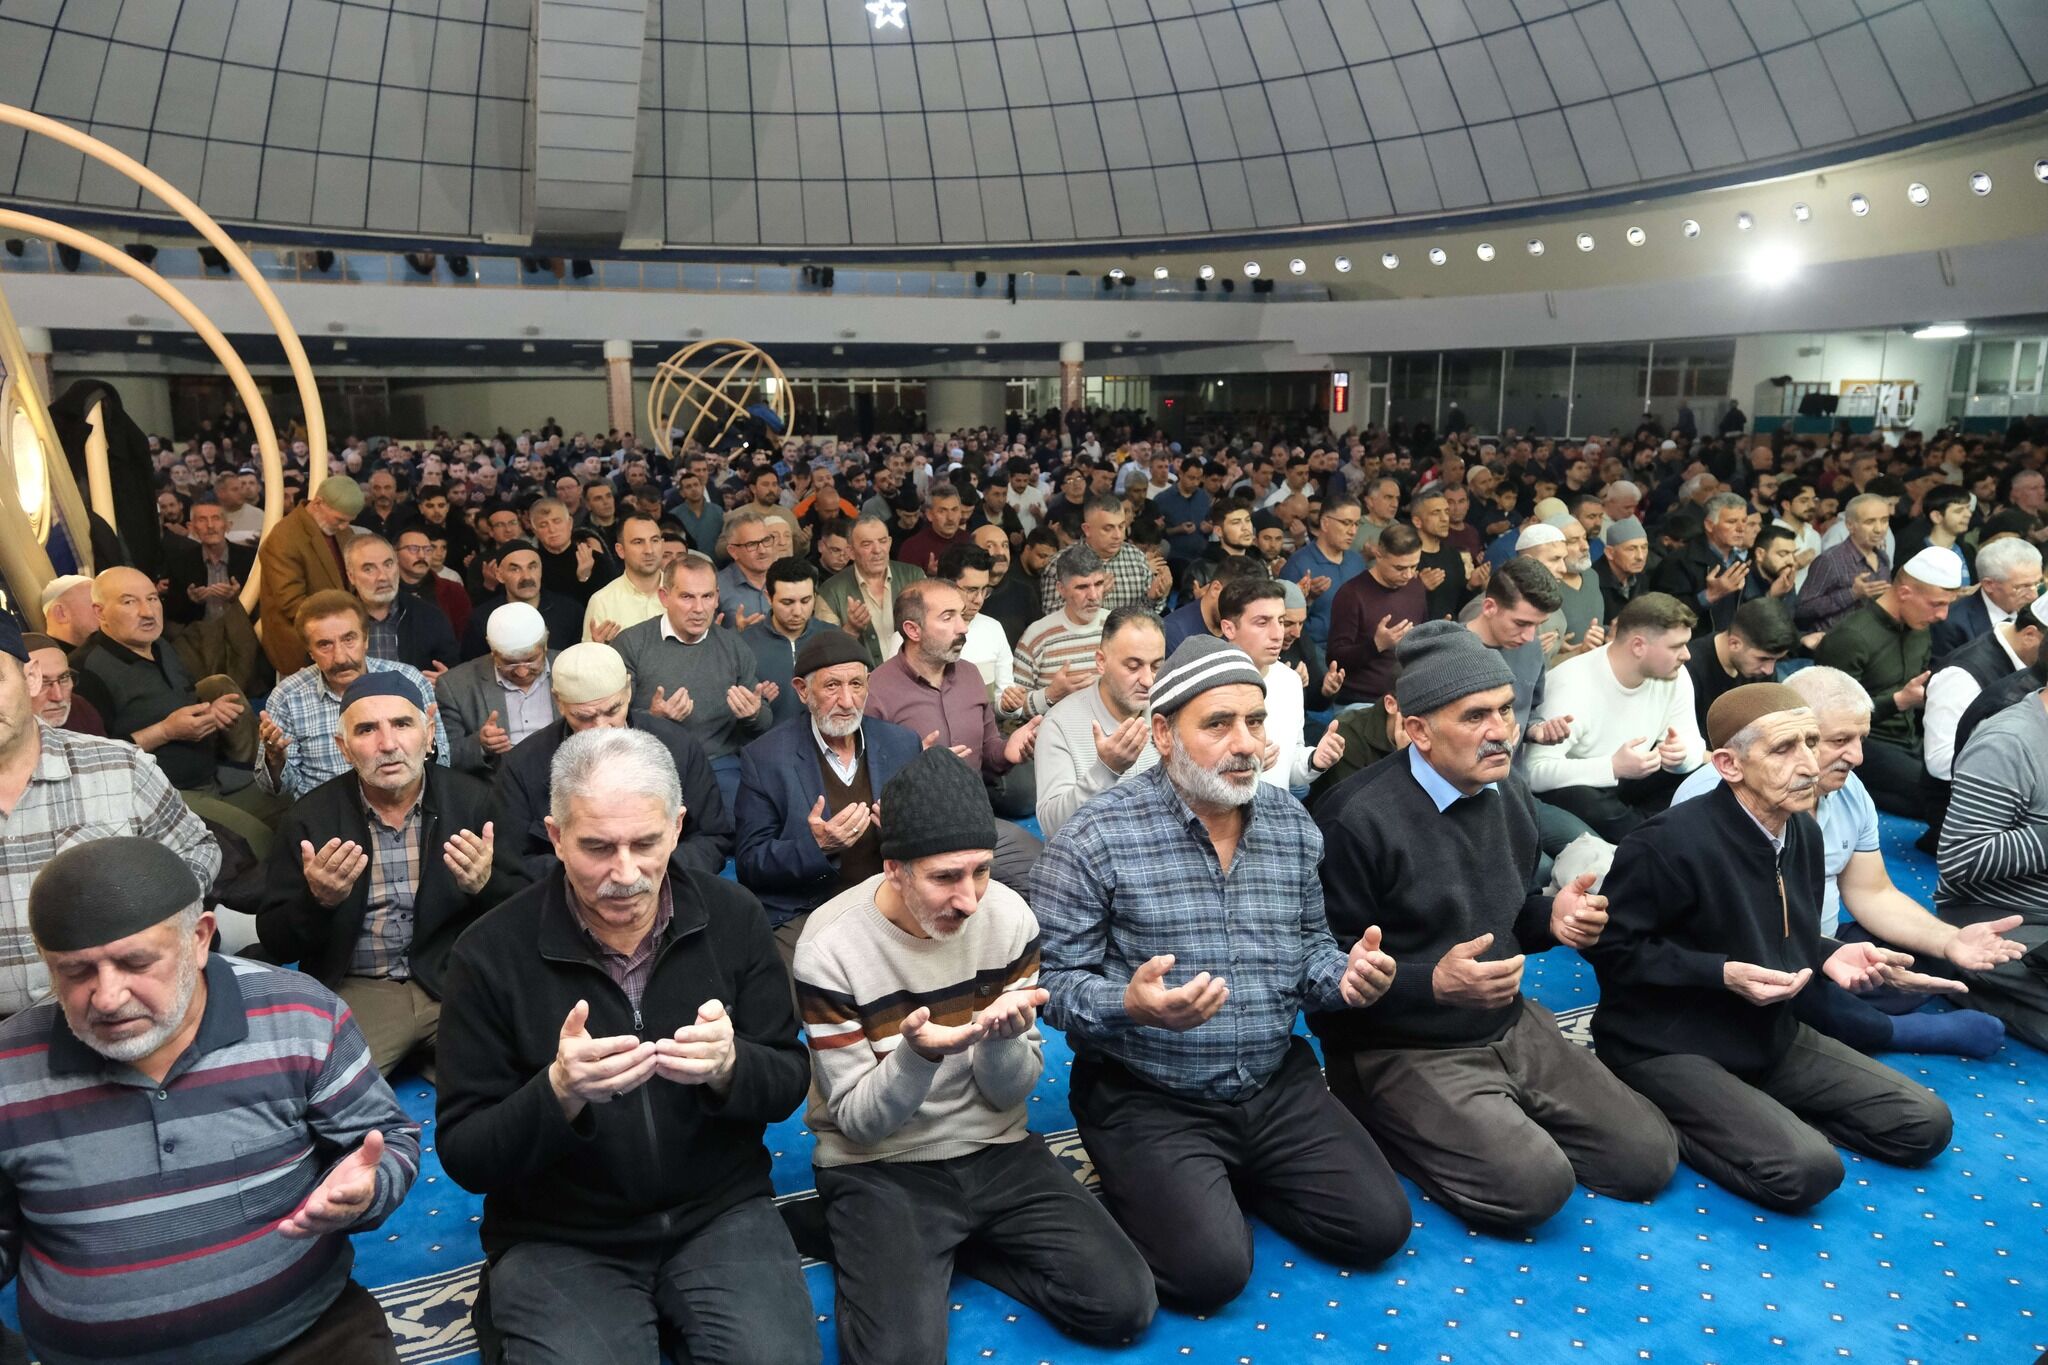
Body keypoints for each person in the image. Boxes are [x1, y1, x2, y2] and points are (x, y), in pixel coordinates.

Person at [1030, 636, 1409, 1310]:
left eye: (1255, 721)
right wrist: (1129, 1004)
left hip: (1273, 1080)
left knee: (1379, 1227)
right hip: (1150, 1093)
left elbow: (1311, 950)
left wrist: (1347, 976)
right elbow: (1050, 985)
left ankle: (1221, 1181)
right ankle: (1186, 1186)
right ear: (1163, 734)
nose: (1245, 744)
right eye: (1218, 724)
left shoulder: (1291, 824)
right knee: (1210, 1274)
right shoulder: (1095, 837)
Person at [435, 727, 818, 1365]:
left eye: (645, 843)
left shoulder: (734, 917)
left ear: (677, 828)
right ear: (555, 837)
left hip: (719, 1211)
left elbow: (786, 1081)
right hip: (559, 1233)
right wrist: (558, 1094)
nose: (625, 873)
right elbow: (465, 1153)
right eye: (596, 847)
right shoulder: (488, 953)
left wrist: (732, 1067)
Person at [1311, 622, 1677, 1232]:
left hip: (1506, 1020)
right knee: (1534, 1186)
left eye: (1506, 710)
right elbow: (1322, 976)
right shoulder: (1354, 820)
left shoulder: (1508, 792)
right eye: (1476, 716)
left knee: (1646, 1158)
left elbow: (1509, 915)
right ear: (1419, 730)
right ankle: (1380, 1114)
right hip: (1398, 1046)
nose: (1501, 731)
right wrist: (1432, 984)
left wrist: (1553, 919)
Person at [794, 746, 1155, 1359]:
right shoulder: (829, 947)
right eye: (945, 878)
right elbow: (857, 1122)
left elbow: (1011, 1093)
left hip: (997, 1149)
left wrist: (1000, 1041)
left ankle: (945, 1247)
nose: (968, 899)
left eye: (981, 871)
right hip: (881, 1164)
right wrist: (917, 1057)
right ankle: (889, 1236)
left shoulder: (1009, 919)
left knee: (1124, 1305)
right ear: (894, 869)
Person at [0, 837, 419, 1364]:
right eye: (76, 971)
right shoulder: (9, 1067)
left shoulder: (301, 1017)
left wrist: (368, 1189)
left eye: (135, 962)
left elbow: (388, 1141)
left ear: (199, 939)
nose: (107, 997)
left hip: (308, 1335)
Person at [1585, 683, 1954, 1211]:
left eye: (1811, 742)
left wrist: (1827, 952)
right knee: (1807, 1172)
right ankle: (1666, 1111)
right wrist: (1720, 974)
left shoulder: (1802, 831)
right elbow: (1611, 950)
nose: (1808, 764)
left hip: (1769, 1033)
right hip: (1667, 1045)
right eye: (1784, 749)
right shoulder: (1666, 843)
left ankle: (1756, 1116)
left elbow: (1773, 928)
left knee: (1925, 1124)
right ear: (1728, 765)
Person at [1671, 667, 2019, 1059]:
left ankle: (1841, 1007)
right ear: (1793, 737)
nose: (1857, 756)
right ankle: (1887, 1030)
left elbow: (1873, 892)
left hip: (1825, 939)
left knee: (1926, 960)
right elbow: (1728, 933)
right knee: (1781, 986)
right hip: (1751, 954)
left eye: (1861, 739)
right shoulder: (1717, 800)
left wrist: (1949, 941)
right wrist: (1827, 958)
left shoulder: (1849, 789)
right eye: (1840, 741)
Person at [257, 672, 511, 1077]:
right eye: (366, 730)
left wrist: (486, 887)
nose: (388, 744)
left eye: (402, 724)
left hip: (453, 983)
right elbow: (276, 940)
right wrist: (317, 902)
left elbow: (525, 912)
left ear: (429, 734)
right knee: (322, 1095)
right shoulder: (311, 820)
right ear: (343, 748)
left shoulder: (475, 803)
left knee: (519, 1076)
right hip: (360, 990)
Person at [0, 620, 219, 1020]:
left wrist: (153, 916)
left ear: (30, 677)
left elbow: (196, 848)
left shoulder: (119, 769)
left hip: (121, 1014)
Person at [733, 634, 923, 970]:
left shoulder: (901, 744)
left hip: (890, 902)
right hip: (808, 909)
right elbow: (750, 864)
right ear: (802, 691)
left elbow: (930, 839)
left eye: (856, 684)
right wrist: (816, 847)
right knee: (806, 988)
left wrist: (906, 832)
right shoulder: (765, 758)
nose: (847, 701)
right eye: (832, 686)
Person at [491, 640, 731, 891]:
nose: (601, 726)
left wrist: (652, 872)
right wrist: (592, 877)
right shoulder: (523, 765)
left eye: (612, 710)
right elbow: (511, 861)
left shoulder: (678, 746)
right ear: (559, 703)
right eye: (584, 717)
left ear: (628, 690)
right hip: (565, 898)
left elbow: (712, 837)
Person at [68, 567, 270, 844]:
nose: (148, 612)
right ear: (100, 612)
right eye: (129, 602)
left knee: (295, 803)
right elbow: (94, 762)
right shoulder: (86, 671)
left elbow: (182, 701)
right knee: (259, 840)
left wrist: (210, 712)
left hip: (213, 775)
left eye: (153, 599)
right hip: (162, 798)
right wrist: (165, 732)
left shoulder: (161, 646)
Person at [865, 581, 1044, 890]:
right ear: (913, 630)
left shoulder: (971, 675)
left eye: (961, 615)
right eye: (948, 617)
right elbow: (866, 782)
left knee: (1048, 870)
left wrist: (1007, 752)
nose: (963, 627)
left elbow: (988, 752)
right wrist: (919, 767)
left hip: (976, 820)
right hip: (917, 832)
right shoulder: (877, 690)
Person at [1524, 592, 1704, 839]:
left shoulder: (1675, 674)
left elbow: (1693, 743)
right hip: (1588, 784)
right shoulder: (1573, 684)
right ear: (1638, 646)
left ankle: (1651, 831)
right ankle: (1652, 835)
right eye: (1676, 647)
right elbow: (1532, 772)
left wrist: (1681, 755)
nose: (1687, 654)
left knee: (1701, 776)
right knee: (1581, 798)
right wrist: (1612, 767)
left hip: (1637, 776)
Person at [611, 552, 776, 806]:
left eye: (707, 596)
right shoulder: (632, 643)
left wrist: (753, 713)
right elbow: (610, 722)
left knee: (739, 815)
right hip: (651, 762)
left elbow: (763, 723)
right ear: (664, 597)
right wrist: (653, 719)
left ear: (717, 597)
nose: (699, 609)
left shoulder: (733, 646)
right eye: (687, 597)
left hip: (719, 764)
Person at [1812, 546, 1963, 819]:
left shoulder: (1920, 628)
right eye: (1937, 604)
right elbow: (1830, 718)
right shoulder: (1851, 637)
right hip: (1866, 743)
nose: (1943, 616)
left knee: (1964, 782)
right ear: (1905, 592)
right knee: (1942, 800)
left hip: (1911, 737)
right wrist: (1898, 701)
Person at [257, 592, 450, 804]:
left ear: (366, 639)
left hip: (407, 807)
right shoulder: (287, 697)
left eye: (349, 640)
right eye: (324, 645)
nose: (340, 657)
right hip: (324, 813)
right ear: (310, 651)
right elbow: (275, 790)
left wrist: (427, 741)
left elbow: (442, 765)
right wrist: (276, 761)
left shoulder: (409, 681)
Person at [1034, 606, 1165, 837]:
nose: (1148, 680)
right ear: (1101, 662)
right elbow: (1052, 826)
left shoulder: (1167, 713)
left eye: (1156, 666)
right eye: (1133, 666)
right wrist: (1105, 770)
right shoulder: (1059, 724)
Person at [1215, 574, 1344, 790]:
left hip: (1276, 808)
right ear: (1229, 628)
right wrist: (1238, 767)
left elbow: (1290, 767)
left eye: (1281, 621)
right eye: (1262, 622)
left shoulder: (1290, 681)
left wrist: (1315, 760)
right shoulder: (1204, 684)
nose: (1278, 634)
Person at [434, 602, 559, 776]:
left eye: (531, 660)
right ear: (493, 650)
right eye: (509, 663)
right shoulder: (456, 686)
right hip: (497, 784)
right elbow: (444, 756)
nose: (522, 672)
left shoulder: (571, 669)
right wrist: (481, 744)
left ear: (545, 645)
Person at [259, 473, 363, 673]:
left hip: (343, 637)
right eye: (339, 520)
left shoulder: (341, 531)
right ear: (318, 503)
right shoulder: (284, 538)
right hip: (303, 647)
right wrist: (338, 628)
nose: (344, 527)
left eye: (349, 521)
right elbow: (292, 604)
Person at [1325, 523, 1426, 704]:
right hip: (1362, 700)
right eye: (1400, 568)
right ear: (1379, 555)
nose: (1409, 575)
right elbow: (1335, 659)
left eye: (1414, 566)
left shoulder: (1416, 587)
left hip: (1408, 696)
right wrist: (1377, 645)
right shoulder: (1351, 594)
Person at [814, 515, 925, 665]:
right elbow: (825, 653)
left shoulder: (914, 576)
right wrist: (851, 630)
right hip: (864, 678)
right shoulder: (830, 592)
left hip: (915, 675)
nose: (877, 550)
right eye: (867, 544)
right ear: (851, 552)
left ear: (890, 543)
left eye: (882, 541)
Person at [345, 533, 458, 678]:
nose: (383, 577)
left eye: (388, 565)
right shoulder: (336, 620)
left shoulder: (431, 617)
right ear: (351, 576)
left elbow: (454, 672)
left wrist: (446, 682)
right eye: (369, 569)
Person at [1014, 545, 1108, 717]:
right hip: (1053, 733)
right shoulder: (1037, 636)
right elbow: (1014, 709)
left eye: (1099, 584)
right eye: (1082, 587)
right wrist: (1050, 695)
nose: (1093, 595)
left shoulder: (1119, 628)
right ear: (1061, 589)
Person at [742, 556, 836, 728]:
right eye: (787, 602)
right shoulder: (743, 644)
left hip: (824, 738)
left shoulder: (833, 638)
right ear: (768, 597)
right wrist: (757, 710)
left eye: (806, 601)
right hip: (767, 740)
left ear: (815, 596)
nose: (798, 611)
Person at [1038, 495, 1169, 614]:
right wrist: (1093, 597)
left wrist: (1155, 597)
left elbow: (1147, 614)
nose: (1118, 535)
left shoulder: (1137, 558)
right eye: (1108, 528)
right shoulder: (1059, 564)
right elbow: (1051, 614)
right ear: (1087, 529)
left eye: (1121, 526)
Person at [1683, 597, 1798, 733]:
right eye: (1763, 659)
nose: (1769, 670)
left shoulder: (1761, 672)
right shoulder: (1688, 671)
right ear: (1734, 644)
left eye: (1776, 660)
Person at [459, 540, 584, 662]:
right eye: (515, 569)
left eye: (532, 567)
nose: (526, 576)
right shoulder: (483, 619)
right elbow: (473, 668)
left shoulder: (570, 611)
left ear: (541, 570)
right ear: (499, 575)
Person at [1652, 492, 1752, 637]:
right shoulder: (1679, 561)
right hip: (1690, 645)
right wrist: (1710, 595)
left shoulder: (1739, 563)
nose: (1741, 528)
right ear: (1710, 525)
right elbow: (1664, 615)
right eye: (1731, 522)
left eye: (1744, 521)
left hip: (1729, 643)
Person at [1795, 493, 1893, 636]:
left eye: (1884, 520)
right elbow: (1802, 609)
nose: (1879, 529)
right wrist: (1852, 593)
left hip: (1873, 639)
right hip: (1834, 642)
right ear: (1850, 525)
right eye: (1870, 522)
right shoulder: (1830, 560)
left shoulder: (1883, 558)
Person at [1930, 536, 2043, 657]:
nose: (2034, 596)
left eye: (2038, 583)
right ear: (1989, 585)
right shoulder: (1953, 624)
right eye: (2022, 587)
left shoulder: (2040, 612)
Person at [1281, 494, 1368, 648]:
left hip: (1356, 648)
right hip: (1315, 651)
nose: (1353, 531)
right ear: (1325, 523)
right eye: (1346, 523)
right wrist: (1308, 598)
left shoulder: (1357, 561)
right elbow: (1283, 620)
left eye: (1356, 524)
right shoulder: (1298, 564)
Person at [160, 501, 256, 627]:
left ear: (228, 525)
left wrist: (238, 598)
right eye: (202, 520)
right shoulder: (180, 562)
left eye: (216, 518)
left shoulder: (250, 558)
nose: (210, 526)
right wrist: (191, 600)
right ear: (192, 528)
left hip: (243, 631)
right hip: (200, 634)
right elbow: (173, 614)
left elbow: (263, 606)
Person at [581, 512, 667, 643]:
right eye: (638, 542)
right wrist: (601, 649)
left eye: (654, 540)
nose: (649, 550)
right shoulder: (602, 602)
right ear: (620, 550)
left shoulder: (685, 593)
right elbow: (589, 655)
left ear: (662, 545)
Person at [715, 507, 779, 627]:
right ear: (733, 551)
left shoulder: (787, 578)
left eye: (766, 540)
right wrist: (736, 634)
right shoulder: (716, 586)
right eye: (752, 544)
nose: (762, 550)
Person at [1596, 516, 1650, 618]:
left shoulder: (1641, 577)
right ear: (1610, 553)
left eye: (1644, 547)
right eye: (1631, 549)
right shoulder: (1594, 582)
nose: (1640, 557)